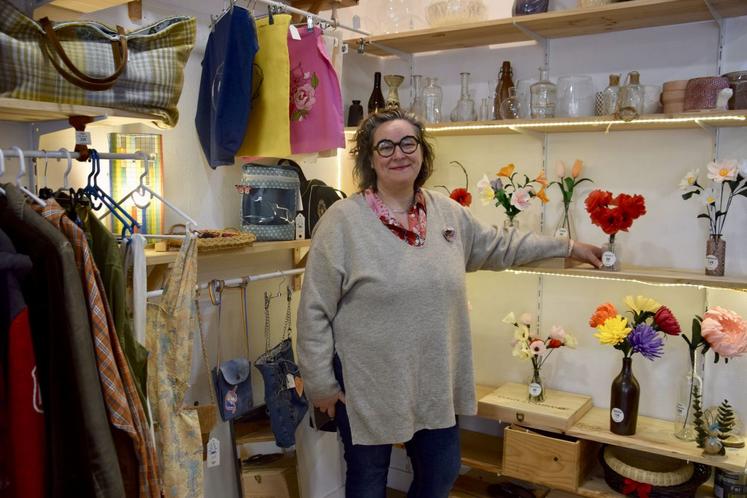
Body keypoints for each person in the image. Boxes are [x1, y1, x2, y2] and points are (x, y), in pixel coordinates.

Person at [297, 108, 602, 498]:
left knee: (442, 471)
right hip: (369, 382)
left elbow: (501, 245)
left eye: (408, 143)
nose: (398, 154)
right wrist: (321, 384)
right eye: (385, 146)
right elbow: (314, 309)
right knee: (367, 479)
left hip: (433, 376)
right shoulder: (343, 222)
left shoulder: (447, 214)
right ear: (370, 160)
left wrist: (568, 246)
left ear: (422, 153)